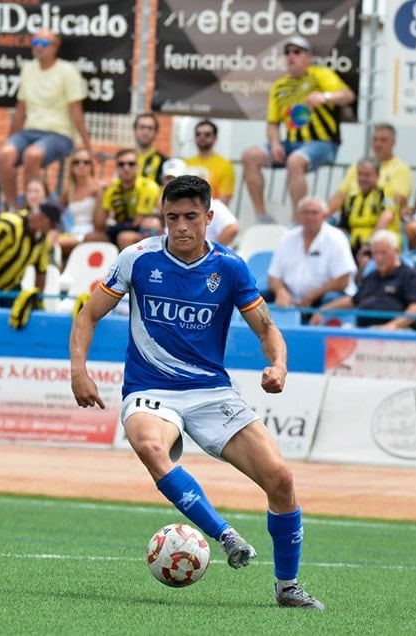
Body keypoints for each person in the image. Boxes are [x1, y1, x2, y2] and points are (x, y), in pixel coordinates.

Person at [70, 174, 325, 611]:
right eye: (172, 217)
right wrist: (79, 371)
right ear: (163, 217)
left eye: (191, 217)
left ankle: (288, 587)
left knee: (281, 479)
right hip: (150, 388)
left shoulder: (229, 267)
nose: (181, 226)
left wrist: (278, 365)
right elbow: (87, 315)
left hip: (210, 391)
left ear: (209, 217)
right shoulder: (136, 258)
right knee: (151, 446)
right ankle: (225, 535)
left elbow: (266, 328)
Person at [241, 35, 355, 224]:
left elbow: (348, 95)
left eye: (296, 52)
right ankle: (261, 217)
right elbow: (272, 123)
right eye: (287, 53)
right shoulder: (279, 86)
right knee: (250, 156)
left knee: (295, 161)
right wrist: (275, 143)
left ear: (308, 57)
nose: (290, 56)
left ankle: (298, 221)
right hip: (291, 143)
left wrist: (325, 97)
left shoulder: (320, 74)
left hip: (323, 143)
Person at [0, 29, 92, 207]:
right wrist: (10, 140)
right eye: (35, 43)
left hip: (59, 134)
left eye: (44, 43)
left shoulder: (67, 71)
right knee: (3, 154)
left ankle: (32, 209)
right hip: (30, 131)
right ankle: (13, 208)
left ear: (55, 47)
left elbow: (77, 112)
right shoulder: (28, 70)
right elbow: (20, 110)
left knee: (32, 155)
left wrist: (87, 148)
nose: (39, 47)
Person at [267, 196, 357, 323]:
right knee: (255, 297)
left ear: (325, 216)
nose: (309, 217)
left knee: (330, 298)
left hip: (323, 298)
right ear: (299, 216)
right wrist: (280, 291)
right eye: (305, 212)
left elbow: (343, 280)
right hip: (290, 297)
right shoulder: (287, 238)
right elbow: (273, 277)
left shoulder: (337, 239)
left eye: (314, 213)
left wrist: (312, 296)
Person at [310, 229, 416, 329]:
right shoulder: (372, 276)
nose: (379, 258)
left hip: (395, 331)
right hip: (363, 328)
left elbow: (415, 308)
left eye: (383, 253)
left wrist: (394, 325)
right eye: (375, 253)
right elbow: (353, 300)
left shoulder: (409, 275)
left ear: (396, 251)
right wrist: (323, 310)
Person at [0, 202, 60, 308]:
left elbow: (41, 273)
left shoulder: (41, 240)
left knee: (20, 313)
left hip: (9, 284)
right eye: (51, 226)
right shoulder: (8, 226)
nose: (52, 230)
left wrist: (36, 300)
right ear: (42, 218)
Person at [327, 123, 412, 224]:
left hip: (379, 220)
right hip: (348, 218)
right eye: (375, 139)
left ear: (393, 143)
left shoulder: (401, 169)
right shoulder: (357, 166)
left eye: (383, 140)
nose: (378, 144)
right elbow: (340, 196)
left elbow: (397, 201)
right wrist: (323, 214)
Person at [332, 157, 399, 273]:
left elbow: (387, 216)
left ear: (377, 176)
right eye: (360, 175)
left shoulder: (386, 193)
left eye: (367, 175)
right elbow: (343, 227)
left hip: (379, 248)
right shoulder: (351, 198)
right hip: (353, 247)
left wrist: (370, 243)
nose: (363, 179)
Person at [161, 159, 239, 246]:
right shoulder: (170, 204)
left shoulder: (215, 205)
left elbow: (232, 228)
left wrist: (212, 252)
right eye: (173, 217)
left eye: (191, 216)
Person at [95, 148, 161, 250]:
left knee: (124, 237)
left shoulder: (148, 187)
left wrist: (111, 229)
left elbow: (137, 223)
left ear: (138, 167)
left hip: (148, 232)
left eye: (131, 164)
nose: (126, 168)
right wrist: (100, 192)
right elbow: (99, 225)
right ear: (116, 168)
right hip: (121, 229)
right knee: (91, 237)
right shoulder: (112, 189)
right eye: (121, 164)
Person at [58, 147, 106, 260]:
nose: (81, 165)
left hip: (91, 233)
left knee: (57, 244)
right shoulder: (69, 190)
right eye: (76, 162)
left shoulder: (98, 187)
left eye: (86, 162)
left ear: (91, 166)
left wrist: (100, 195)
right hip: (73, 232)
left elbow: (100, 224)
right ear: (71, 166)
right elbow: (55, 212)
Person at [185, 120, 235, 205]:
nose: (202, 137)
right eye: (198, 134)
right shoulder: (186, 163)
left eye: (207, 134)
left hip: (211, 214)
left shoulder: (225, 166)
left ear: (215, 138)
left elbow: (223, 202)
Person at [133, 112, 167, 185]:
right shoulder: (125, 160)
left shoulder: (164, 162)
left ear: (156, 132)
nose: (145, 132)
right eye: (142, 127)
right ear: (135, 130)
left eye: (150, 128)